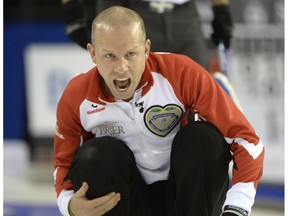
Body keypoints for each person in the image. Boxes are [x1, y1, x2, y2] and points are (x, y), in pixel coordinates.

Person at [54, 6, 264, 216]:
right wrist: (69, 206)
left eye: (130, 54)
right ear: (92, 53)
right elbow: (63, 163)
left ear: (146, 50)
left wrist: (237, 207)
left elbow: (246, 140)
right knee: (93, 156)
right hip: (130, 200)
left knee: (204, 138)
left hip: (186, 197)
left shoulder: (182, 73)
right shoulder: (76, 96)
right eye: (110, 56)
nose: (121, 67)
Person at [60, 0, 233, 70]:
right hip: (128, 8)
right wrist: (71, 8)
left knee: (199, 94)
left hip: (184, 14)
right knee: (126, 98)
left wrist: (221, 9)